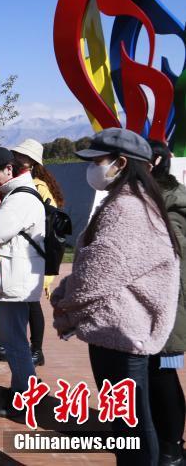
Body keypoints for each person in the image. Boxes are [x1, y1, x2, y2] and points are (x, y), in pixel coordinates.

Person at [51, 128, 180, 466]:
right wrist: (68, 292)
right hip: (121, 330)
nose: (91, 168)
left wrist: (65, 303)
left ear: (121, 163)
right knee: (130, 423)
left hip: (121, 334)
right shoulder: (132, 202)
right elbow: (99, 267)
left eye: (97, 161)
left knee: (131, 428)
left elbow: (99, 273)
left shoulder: (127, 208)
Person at [0, 138, 65, 366]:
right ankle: (11, 357)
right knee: (13, 328)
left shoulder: (31, 190)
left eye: (23, 157)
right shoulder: (15, 188)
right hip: (18, 262)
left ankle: (35, 354)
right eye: (17, 155)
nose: (18, 159)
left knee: (25, 318)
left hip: (25, 263)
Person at [0, 146, 46, 419]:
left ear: (9, 169)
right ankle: (23, 386)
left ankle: (25, 396)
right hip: (14, 277)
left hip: (15, 280)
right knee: (15, 339)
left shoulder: (20, 198)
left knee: (14, 341)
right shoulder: (16, 195)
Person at [148, 139, 186, 465]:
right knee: (151, 373)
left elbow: (172, 250)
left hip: (169, 300)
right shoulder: (148, 197)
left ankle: (172, 447)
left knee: (163, 374)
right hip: (150, 302)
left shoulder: (172, 201)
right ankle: (157, 437)